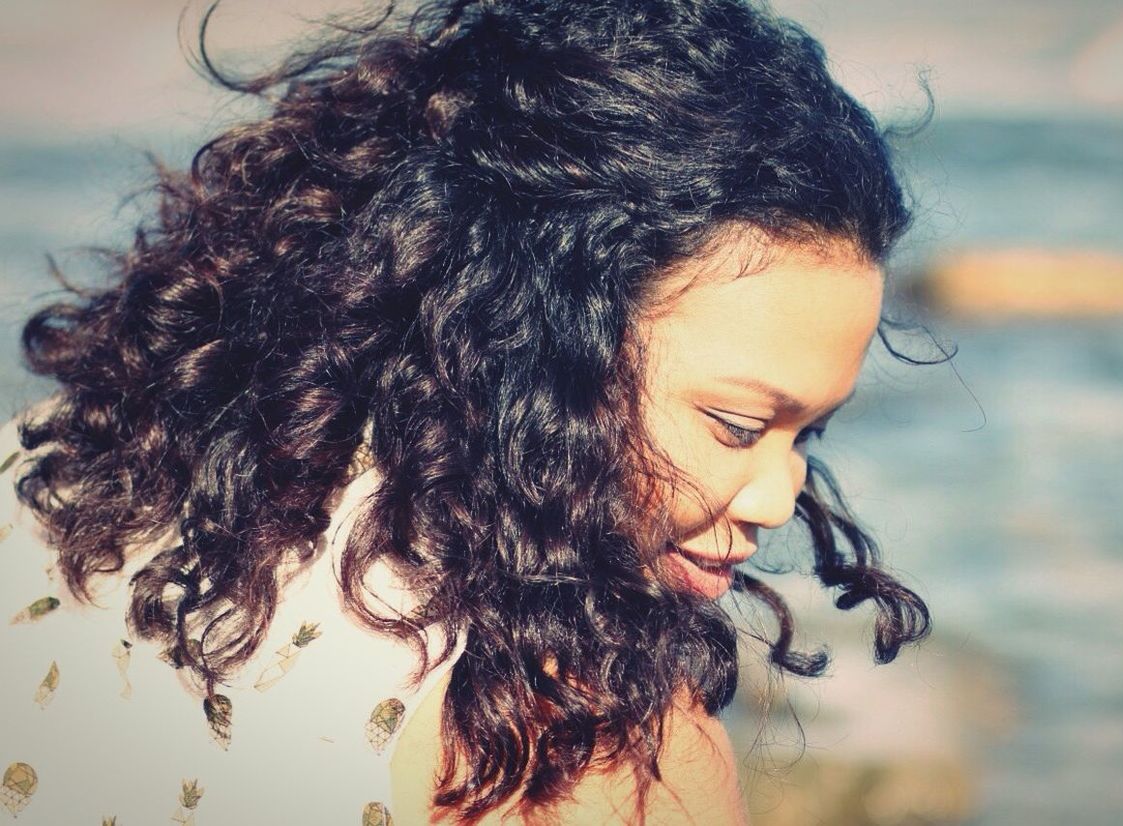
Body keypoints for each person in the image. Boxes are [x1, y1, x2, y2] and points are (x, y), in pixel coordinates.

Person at [0, 0, 931, 822]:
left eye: (808, 433)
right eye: (736, 424)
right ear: (529, 337)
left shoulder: (51, 475)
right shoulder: (561, 754)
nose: (780, 496)